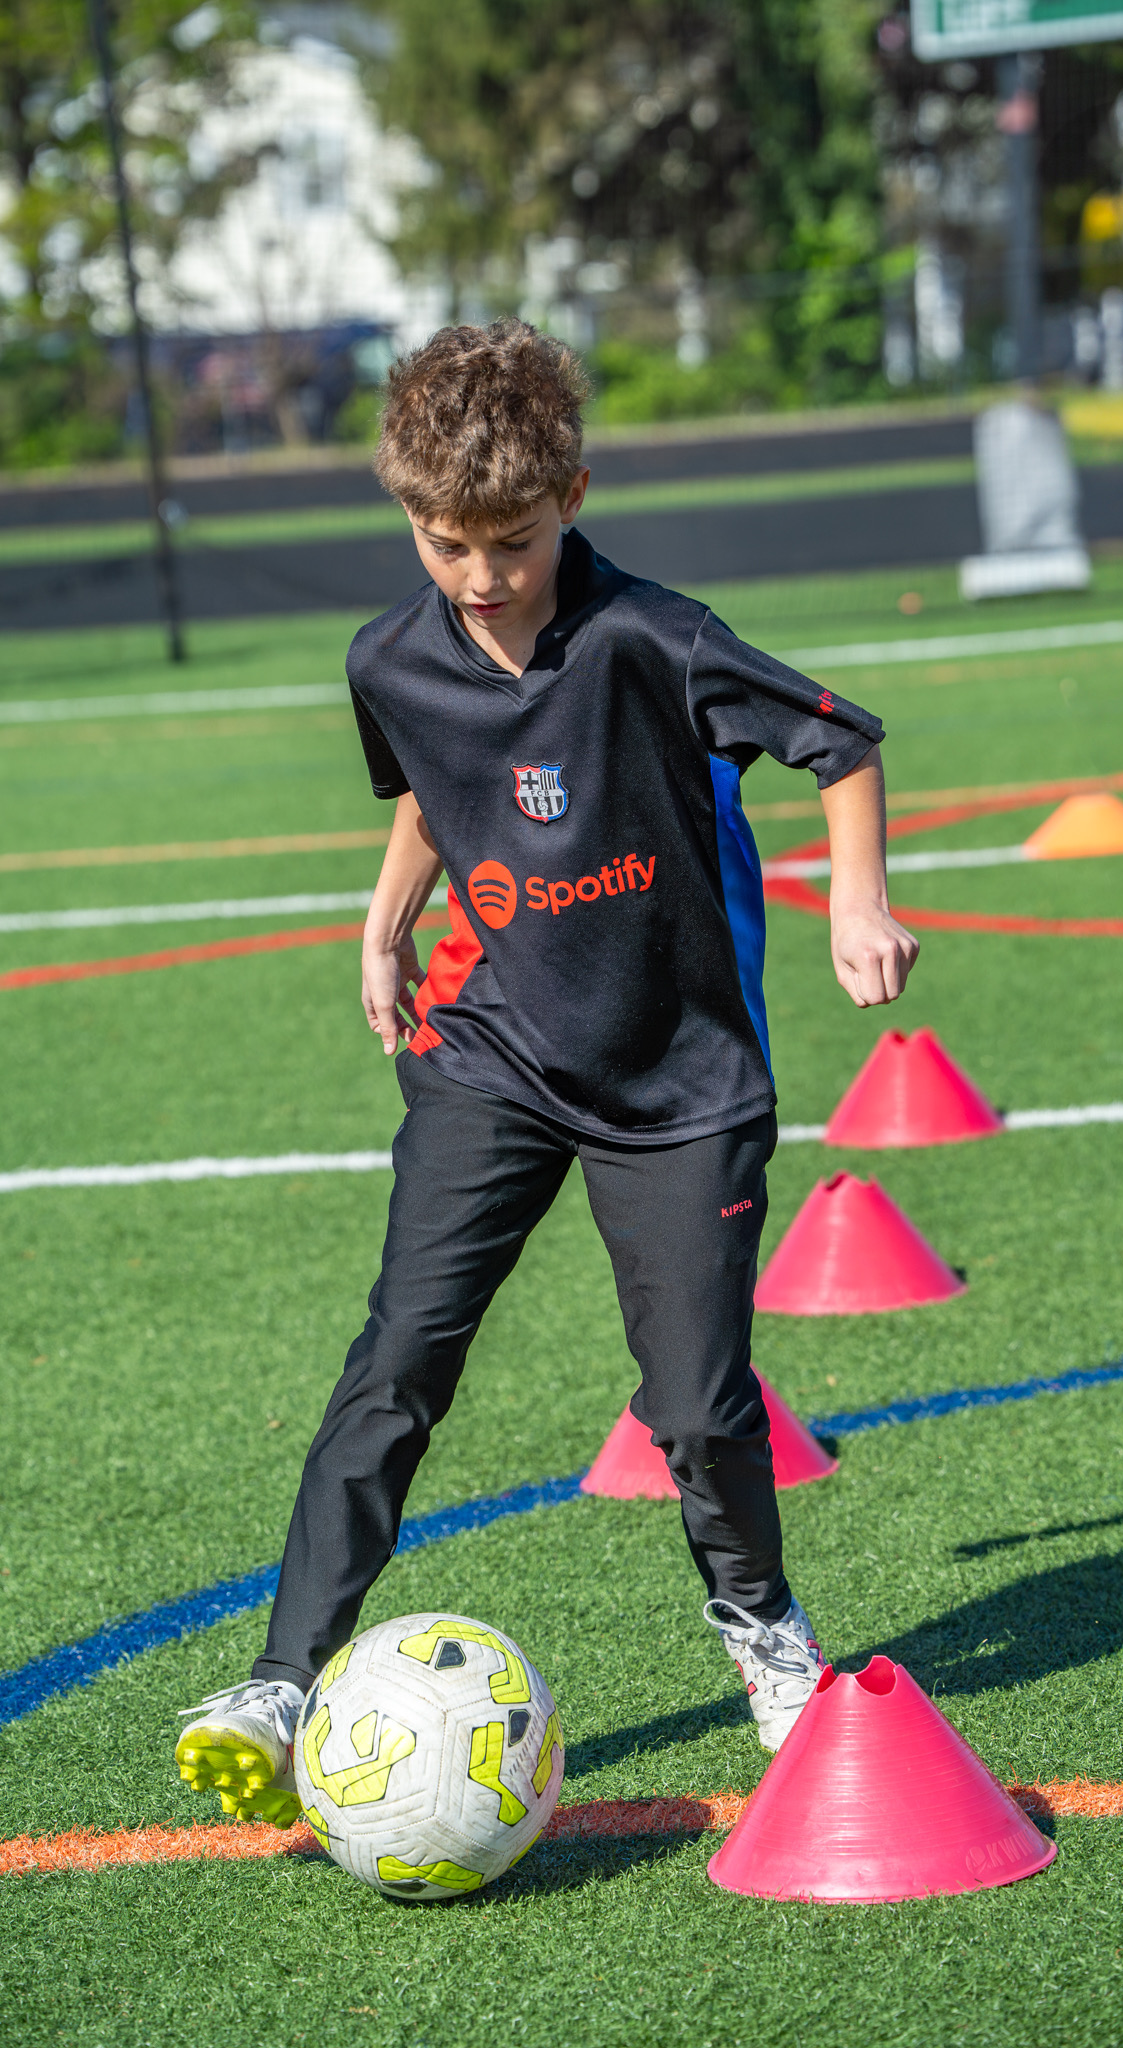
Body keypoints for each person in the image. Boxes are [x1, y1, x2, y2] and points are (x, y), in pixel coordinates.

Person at [175, 319, 918, 1828]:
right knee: (397, 1363)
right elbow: (439, 797)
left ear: (571, 494)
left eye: (509, 541)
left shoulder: (657, 637)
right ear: (407, 518)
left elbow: (840, 746)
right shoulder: (388, 658)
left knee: (702, 1408)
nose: (479, 577)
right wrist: (386, 926)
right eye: (446, 543)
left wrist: (859, 898)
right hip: (494, 1054)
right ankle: (281, 1673)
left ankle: (763, 1629)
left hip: (678, 1078)